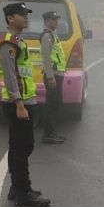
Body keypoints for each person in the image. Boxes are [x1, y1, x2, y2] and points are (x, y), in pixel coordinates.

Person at [0, 2, 51, 207]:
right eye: (22, 14)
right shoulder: (9, 43)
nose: (26, 17)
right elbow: (10, 76)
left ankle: (16, 186)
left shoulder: (18, 40)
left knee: (17, 146)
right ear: (11, 18)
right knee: (24, 146)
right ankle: (23, 191)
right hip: (18, 102)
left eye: (26, 14)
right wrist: (19, 103)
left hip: (24, 99)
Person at [40, 11, 66, 145]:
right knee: (51, 105)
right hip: (53, 75)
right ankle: (48, 134)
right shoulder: (47, 36)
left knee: (56, 103)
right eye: (54, 19)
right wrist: (50, 77)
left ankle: (52, 131)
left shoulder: (53, 35)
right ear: (47, 21)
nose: (56, 22)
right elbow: (46, 58)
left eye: (57, 19)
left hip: (58, 74)